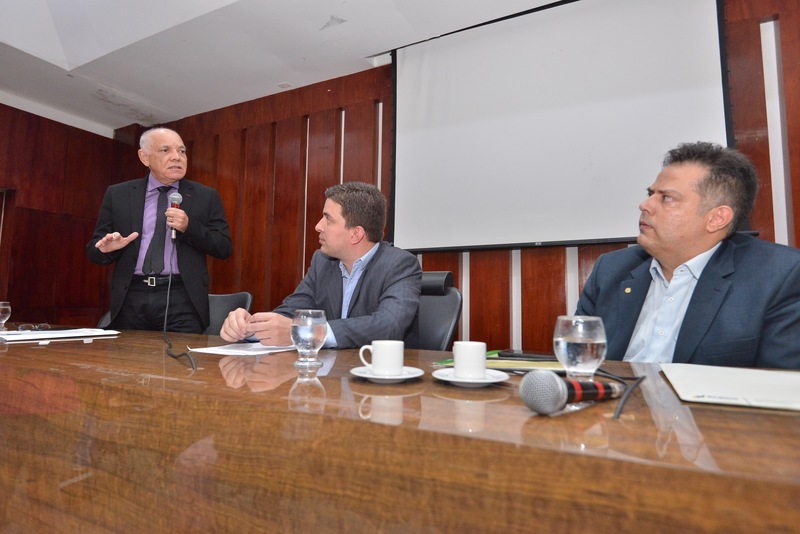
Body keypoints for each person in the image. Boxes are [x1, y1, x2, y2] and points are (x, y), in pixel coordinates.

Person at [576, 141, 800, 368]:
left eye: (667, 198)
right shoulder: (612, 269)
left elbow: (781, 381)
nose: (644, 205)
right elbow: (578, 361)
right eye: (650, 194)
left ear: (716, 219)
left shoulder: (778, 276)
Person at [220, 181, 421, 348]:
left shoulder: (400, 265)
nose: (318, 226)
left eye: (328, 219)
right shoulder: (323, 261)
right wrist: (248, 328)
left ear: (356, 234)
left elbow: (388, 326)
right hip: (329, 374)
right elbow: (290, 314)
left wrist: (307, 332)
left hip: (380, 377)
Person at [86, 127, 232, 333]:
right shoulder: (118, 194)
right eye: (165, 150)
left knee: (181, 354)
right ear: (144, 157)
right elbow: (94, 250)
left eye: (182, 151)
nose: (177, 157)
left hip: (182, 298)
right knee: (128, 354)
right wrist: (105, 249)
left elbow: (224, 247)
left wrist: (189, 227)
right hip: (131, 296)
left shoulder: (205, 196)